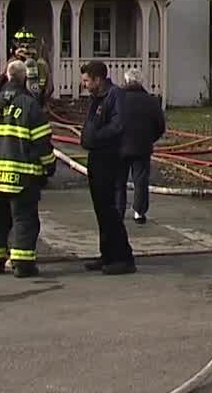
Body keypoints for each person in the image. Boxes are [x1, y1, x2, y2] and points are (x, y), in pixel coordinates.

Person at [0, 59, 55, 278]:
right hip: (23, 174)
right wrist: (49, 166)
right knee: (24, 218)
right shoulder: (30, 106)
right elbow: (42, 142)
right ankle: (22, 264)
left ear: (7, 76)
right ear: (25, 79)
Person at [79, 60, 136, 274]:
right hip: (96, 158)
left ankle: (123, 257)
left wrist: (96, 137)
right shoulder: (97, 99)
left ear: (98, 79)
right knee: (101, 209)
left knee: (109, 210)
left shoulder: (115, 96)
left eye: (87, 81)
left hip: (109, 158)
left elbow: (118, 125)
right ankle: (107, 255)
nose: (84, 84)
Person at [116, 68, 165, 224]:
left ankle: (118, 211)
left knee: (119, 181)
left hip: (119, 146)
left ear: (126, 81)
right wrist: (150, 139)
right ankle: (139, 212)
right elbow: (160, 126)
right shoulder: (151, 101)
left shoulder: (117, 99)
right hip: (142, 146)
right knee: (141, 180)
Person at [0, 29, 52, 107]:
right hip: (35, 105)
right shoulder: (42, 63)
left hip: (16, 105)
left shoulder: (13, 63)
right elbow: (50, 88)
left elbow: (0, 85)